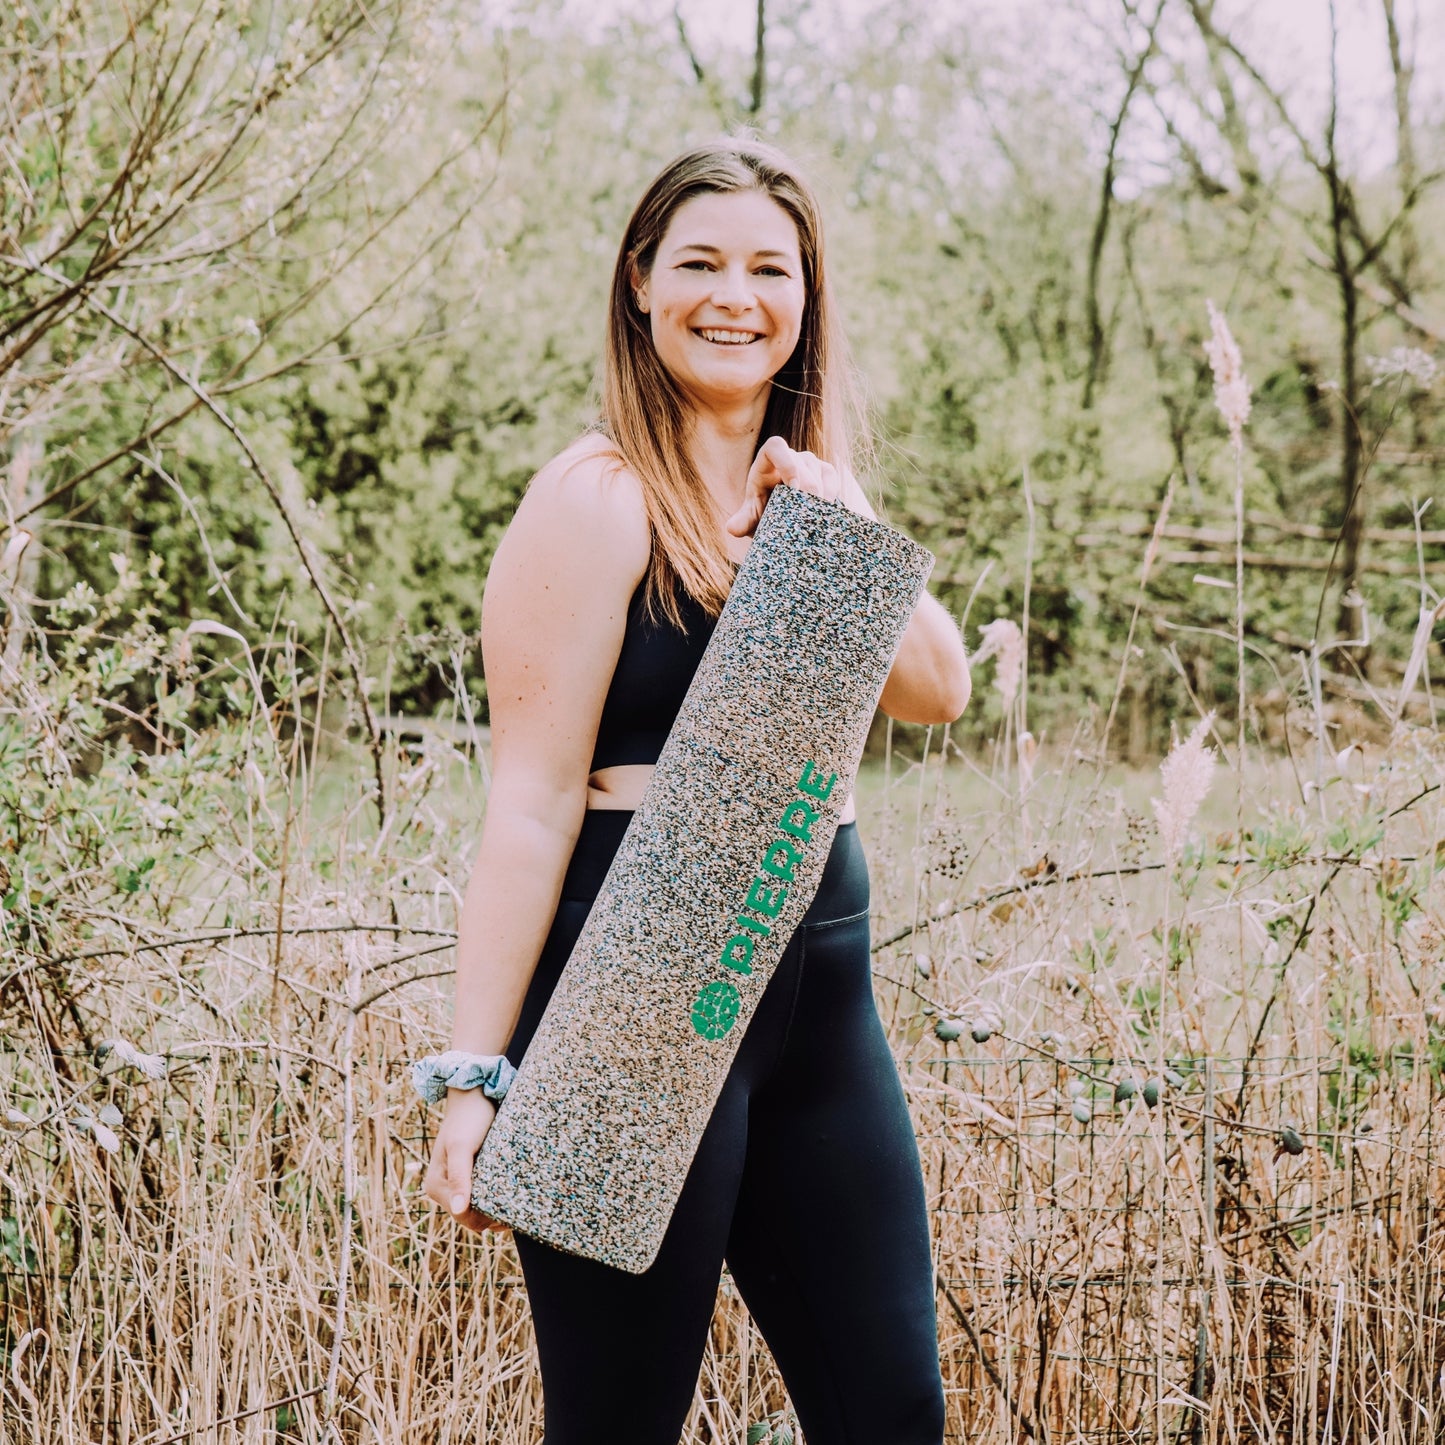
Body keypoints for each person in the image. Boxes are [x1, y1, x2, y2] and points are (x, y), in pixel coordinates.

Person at [421, 137, 971, 1445]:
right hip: (639, 987)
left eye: (769, 269)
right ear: (640, 283)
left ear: (807, 296)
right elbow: (532, 804)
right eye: (700, 263)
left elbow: (938, 689)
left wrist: (836, 525)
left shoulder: (813, 491)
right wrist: (470, 1076)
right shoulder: (596, 496)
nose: (735, 296)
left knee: (892, 1410)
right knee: (618, 1424)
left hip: (819, 998)